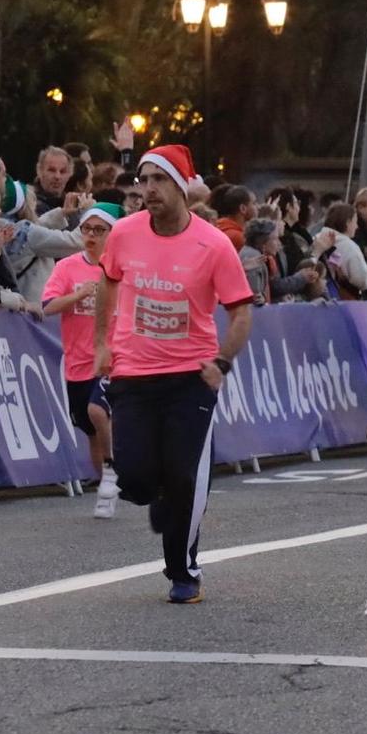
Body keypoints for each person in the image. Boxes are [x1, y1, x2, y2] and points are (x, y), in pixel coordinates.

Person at [92, 145, 252, 604]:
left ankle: (183, 571)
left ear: (181, 186)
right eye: (143, 181)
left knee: (183, 476)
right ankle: (155, 491)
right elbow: (108, 280)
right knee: (137, 479)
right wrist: (103, 342)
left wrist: (221, 362)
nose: (149, 190)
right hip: (134, 373)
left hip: (190, 378)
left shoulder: (213, 244)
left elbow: (240, 312)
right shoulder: (123, 234)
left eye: (159, 180)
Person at [43, 201, 124, 519]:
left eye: (98, 230)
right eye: (86, 229)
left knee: (98, 411)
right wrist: (79, 294)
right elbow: (48, 306)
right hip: (77, 362)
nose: (90, 235)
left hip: (112, 358)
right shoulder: (67, 267)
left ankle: (113, 470)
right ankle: (106, 487)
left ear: (112, 234)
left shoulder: (122, 270)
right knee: (90, 429)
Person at [33, 145, 73, 214]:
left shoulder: (72, 203)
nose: (57, 176)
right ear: (39, 171)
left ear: (70, 174)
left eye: (62, 171)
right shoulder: (30, 204)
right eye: (51, 170)